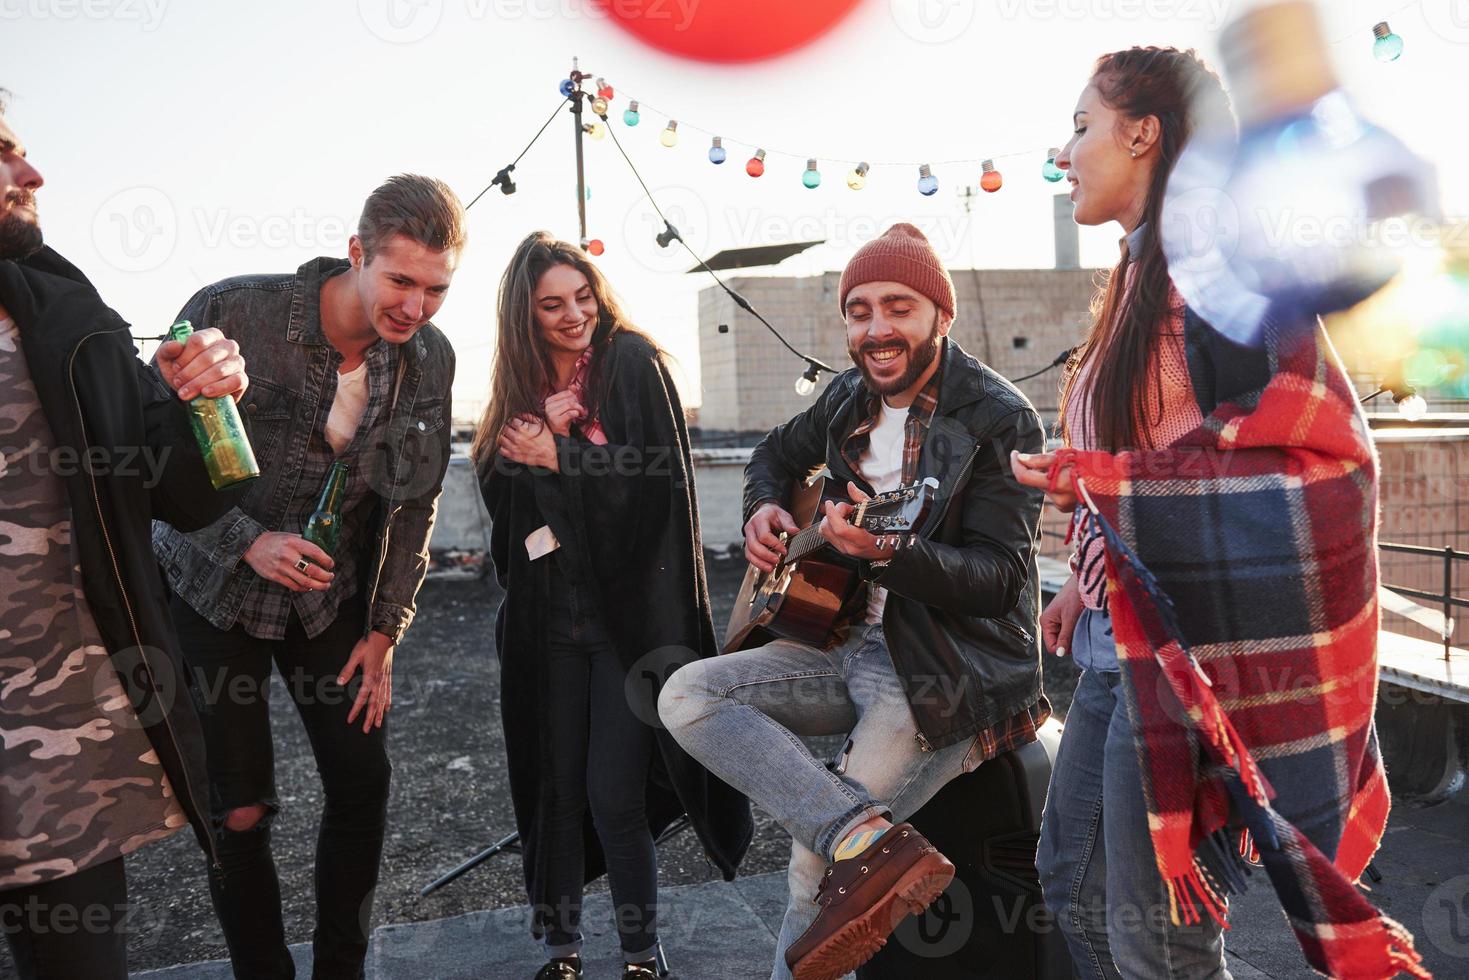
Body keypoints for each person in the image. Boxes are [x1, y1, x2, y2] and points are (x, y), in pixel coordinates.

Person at [1013, 46, 1426, 980]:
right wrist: (1084, 583)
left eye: (1080, 127)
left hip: (1178, 657)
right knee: (1070, 881)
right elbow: (1154, 451)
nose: (1060, 151)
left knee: (1157, 936)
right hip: (1116, 638)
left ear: (1143, 133)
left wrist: (1103, 482)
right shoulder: (1136, 278)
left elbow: (1301, 462)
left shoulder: (1214, 272)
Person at [658, 222, 1049, 980]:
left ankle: (845, 846)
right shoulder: (845, 398)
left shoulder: (996, 417)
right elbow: (774, 453)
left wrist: (891, 553)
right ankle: (866, 841)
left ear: (940, 313)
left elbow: (999, 580)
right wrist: (765, 505)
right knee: (685, 695)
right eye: (859, 310)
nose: (876, 328)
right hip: (837, 641)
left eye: (898, 306)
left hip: (944, 670)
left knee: (814, 861)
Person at [151, 175, 463, 979]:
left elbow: (417, 497)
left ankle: (340, 971)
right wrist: (246, 540)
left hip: (332, 604)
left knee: (363, 788)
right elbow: (148, 453)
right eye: (400, 281)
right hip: (211, 593)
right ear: (356, 253)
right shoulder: (233, 310)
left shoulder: (430, 358)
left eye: (435, 289)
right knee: (241, 810)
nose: (415, 308)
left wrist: (386, 627)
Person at [0, 89, 252, 980]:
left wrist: (201, 399)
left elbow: (180, 493)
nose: (31, 173)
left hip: (59, 754)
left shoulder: (68, 318)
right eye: (1, 152)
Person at [474, 231, 753, 980]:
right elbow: (503, 517)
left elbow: (654, 486)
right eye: (551, 305)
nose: (573, 315)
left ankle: (639, 956)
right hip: (546, 626)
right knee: (555, 791)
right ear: (523, 317)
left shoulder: (631, 362)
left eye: (581, 296)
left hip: (627, 627)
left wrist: (560, 454)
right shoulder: (518, 390)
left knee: (614, 796)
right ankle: (561, 953)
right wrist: (525, 454)